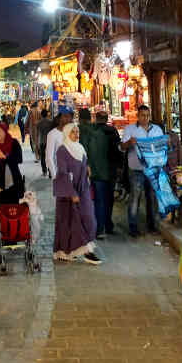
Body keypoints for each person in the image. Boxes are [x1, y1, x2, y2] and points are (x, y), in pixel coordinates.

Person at [53, 123, 101, 264]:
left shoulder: (80, 148)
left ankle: (81, 250)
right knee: (70, 222)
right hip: (69, 192)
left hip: (83, 188)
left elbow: (82, 163)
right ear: (67, 134)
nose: (76, 134)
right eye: (73, 132)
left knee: (89, 218)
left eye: (77, 131)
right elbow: (62, 172)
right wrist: (71, 192)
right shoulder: (62, 150)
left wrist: (87, 168)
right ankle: (86, 252)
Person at [121, 105, 164, 237]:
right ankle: (133, 227)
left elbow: (162, 146)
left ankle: (152, 226)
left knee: (152, 197)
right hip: (136, 169)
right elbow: (122, 147)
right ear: (138, 116)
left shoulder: (157, 130)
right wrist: (129, 143)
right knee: (135, 197)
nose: (145, 118)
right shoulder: (130, 129)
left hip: (152, 169)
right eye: (142, 115)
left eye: (147, 115)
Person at [78, 109, 110, 239]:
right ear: (91, 118)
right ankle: (100, 229)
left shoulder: (78, 132)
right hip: (102, 171)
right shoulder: (100, 132)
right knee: (100, 201)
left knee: (85, 200)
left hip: (87, 171)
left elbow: (81, 153)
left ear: (79, 118)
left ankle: (87, 228)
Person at [95, 111, 122, 237]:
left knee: (99, 199)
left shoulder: (92, 132)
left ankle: (99, 228)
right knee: (109, 198)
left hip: (97, 170)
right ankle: (108, 224)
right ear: (106, 119)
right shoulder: (113, 131)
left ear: (96, 119)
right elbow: (118, 150)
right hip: (111, 169)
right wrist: (119, 167)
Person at [0, 122, 25, 204]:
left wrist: (5, 157)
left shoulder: (14, 143)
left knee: (14, 203)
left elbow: (19, 159)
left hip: (13, 178)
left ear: (4, 131)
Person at [45, 112, 72, 179]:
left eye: (70, 117)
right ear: (58, 119)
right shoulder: (52, 134)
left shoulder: (72, 132)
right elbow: (49, 158)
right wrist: (55, 177)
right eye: (65, 116)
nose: (68, 119)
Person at [36, 109, 53, 177]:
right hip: (49, 141)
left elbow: (38, 133)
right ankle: (50, 171)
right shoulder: (50, 122)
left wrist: (37, 143)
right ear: (47, 114)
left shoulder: (39, 123)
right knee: (49, 157)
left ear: (41, 115)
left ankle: (44, 171)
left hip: (42, 141)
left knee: (43, 157)